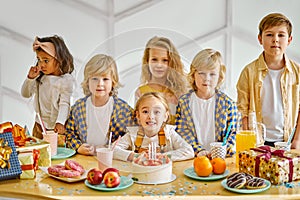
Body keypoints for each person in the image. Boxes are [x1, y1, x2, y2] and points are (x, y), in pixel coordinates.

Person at [236, 13, 300, 149]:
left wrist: (296, 141)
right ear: (260, 39)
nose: (275, 40)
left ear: (289, 40)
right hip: (258, 141)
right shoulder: (248, 72)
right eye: (269, 35)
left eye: (281, 35)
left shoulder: (297, 72)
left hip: (288, 141)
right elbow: (243, 111)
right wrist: (250, 142)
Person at [65, 54, 136, 156]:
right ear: (87, 81)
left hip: (112, 159)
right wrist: (78, 147)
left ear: (113, 82)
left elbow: (133, 133)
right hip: (84, 158)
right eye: (94, 79)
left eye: (105, 79)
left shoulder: (123, 109)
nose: (100, 84)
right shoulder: (78, 108)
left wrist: (115, 148)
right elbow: (69, 133)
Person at [175, 49, 238, 157]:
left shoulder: (228, 104)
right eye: (201, 73)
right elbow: (182, 131)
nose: (206, 79)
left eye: (212, 74)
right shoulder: (184, 102)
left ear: (219, 76)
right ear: (193, 75)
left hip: (221, 159)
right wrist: (199, 151)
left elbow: (233, 134)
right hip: (194, 157)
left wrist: (220, 151)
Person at [113, 92, 194, 162]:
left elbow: (188, 151)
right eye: (145, 112)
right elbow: (113, 150)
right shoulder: (133, 134)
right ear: (138, 115)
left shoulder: (169, 133)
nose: (151, 116)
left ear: (165, 116)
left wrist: (159, 157)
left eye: (157, 112)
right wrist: (135, 156)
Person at [21, 35, 75, 139]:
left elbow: (65, 104)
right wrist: (30, 78)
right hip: (39, 126)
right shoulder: (40, 78)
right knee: (39, 152)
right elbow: (25, 94)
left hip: (58, 127)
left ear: (59, 60)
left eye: (46, 61)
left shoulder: (65, 81)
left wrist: (60, 122)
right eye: (39, 59)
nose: (41, 65)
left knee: (57, 152)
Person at [134, 36, 189, 124]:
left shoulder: (181, 92)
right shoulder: (141, 93)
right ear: (147, 61)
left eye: (165, 60)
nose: (159, 65)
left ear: (171, 63)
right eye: (154, 60)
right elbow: (139, 125)